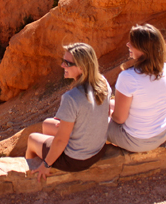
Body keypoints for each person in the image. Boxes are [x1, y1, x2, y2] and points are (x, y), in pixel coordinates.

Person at [26, 43, 111, 182]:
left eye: (67, 63)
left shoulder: (71, 98)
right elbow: (102, 115)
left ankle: (32, 177)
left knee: (32, 139)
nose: (62, 65)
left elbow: (61, 140)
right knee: (47, 124)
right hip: (98, 151)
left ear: (82, 67)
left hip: (75, 160)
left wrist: (47, 164)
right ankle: (50, 151)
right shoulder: (103, 83)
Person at [108, 24, 166, 152]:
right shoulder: (165, 68)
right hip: (163, 132)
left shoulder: (128, 77)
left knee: (93, 118)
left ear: (143, 49)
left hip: (138, 141)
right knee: (108, 104)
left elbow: (120, 119)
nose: (128, 45)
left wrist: (109, 115)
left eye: (132, 43)